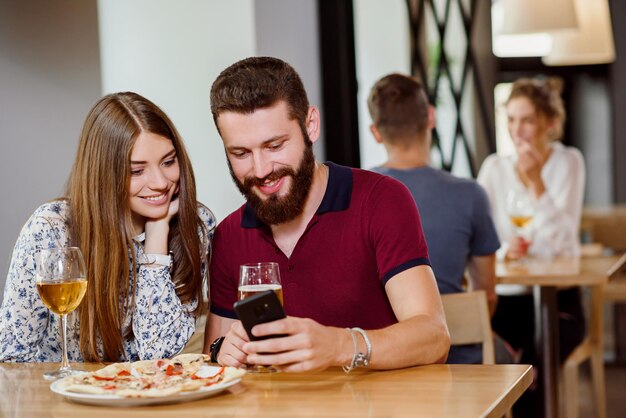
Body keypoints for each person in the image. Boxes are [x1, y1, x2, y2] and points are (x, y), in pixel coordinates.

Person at [204, 56, 450, 372]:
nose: (261, 170)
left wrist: (339, 346)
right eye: (240, 153)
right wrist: (224, 351)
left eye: (275, 146)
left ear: (311, 125)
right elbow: (217, 357)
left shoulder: (381, 200)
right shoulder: (229, 235)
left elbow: (434, 337)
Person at [0, 92, 215, 362]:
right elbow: (13, 355)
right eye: (137, 171)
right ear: (104, 174)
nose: (161, 182)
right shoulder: (51, 230)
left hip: (147, 396)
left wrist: (157, 233)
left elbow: (159, 354)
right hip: (64, 397)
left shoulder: (195, 227)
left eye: (168, 162)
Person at [367, 73, 500, 364]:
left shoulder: (358, 194)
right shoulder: (471, 195)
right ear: (430, 117)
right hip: (461, 359)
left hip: (383, 363)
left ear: (375, 132)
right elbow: (486, 297)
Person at [477, 77, 585, 417]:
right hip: (508, 304)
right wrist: (503, 250)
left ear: (549, 122)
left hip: (557, 302)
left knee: (532, 374)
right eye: (511, 119)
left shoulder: (568, 162)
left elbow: (565, 243)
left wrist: (536, 181)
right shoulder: (494, 168)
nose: (517, 129)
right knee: (508, 369)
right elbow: (480, 236)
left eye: (526, 119)